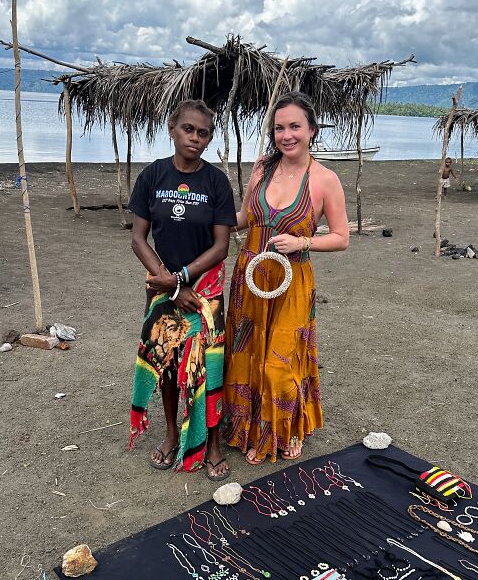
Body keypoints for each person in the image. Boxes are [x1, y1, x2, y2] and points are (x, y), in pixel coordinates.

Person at [223, 92, 349, 464]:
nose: (286, 135)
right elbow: (244, 217)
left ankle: (286, 429)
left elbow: (341, 238)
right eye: (279, 128)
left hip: (293, 282)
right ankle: (246, 428)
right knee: (245, 355)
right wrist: (205, 221)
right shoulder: (262, 169)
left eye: (295, 126)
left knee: (280, 362)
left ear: (311, 130)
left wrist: (302, 241)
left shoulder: (325, 180)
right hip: (249, 276)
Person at [128, 100, 237, 479]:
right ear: (172, 128)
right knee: (170, 365)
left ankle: (213, 443)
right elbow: (139, 239)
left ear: (209, 138)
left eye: (203, 132)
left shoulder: (216, 183)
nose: (195, 137)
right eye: (188, 129)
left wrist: (181, 280)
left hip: (206, 293)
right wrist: (169, 284)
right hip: (160, 290)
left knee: (210, 366)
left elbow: (221, 246)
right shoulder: (153, 176)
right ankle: (173, 433)